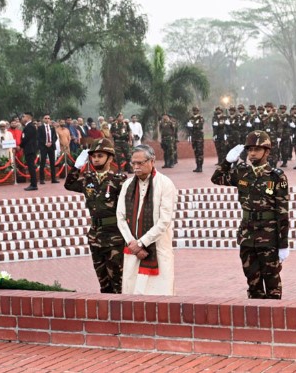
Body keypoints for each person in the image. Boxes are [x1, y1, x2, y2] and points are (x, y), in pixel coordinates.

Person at [211, 131, 290, 299]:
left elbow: (282, 212)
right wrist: (227, 162)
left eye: (257, 149)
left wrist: (283, 244)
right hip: (247, 234)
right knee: (252, 282)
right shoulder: (242, 172)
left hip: (268, 236)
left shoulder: (276, 176)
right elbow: (216, 178)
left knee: (272, 283)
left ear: (267, 152)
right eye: (249, 149)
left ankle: (273, 314)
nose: (252, 153)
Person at [65, 139, 127, 293]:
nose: (96, 159)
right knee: (104, 284)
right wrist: (77, 166)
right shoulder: (88, 179)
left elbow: (128, 209)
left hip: (114, 237)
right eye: (93, 156)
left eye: (100, 155)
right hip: (95, 236)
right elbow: (69, 184)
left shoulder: (119, 180)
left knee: (118, 283)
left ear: (110, 158)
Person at [116, 144, 177, 295]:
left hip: (157, 247)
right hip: (132, 249)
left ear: (152, 161)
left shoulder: (164, 183)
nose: (136, 167)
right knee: (132, 293)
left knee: (159, 295)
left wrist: (141, 243)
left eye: (140, 163)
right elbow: (121, 217)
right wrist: (133, 243)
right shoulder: (128, 185)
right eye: (133, 163)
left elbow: (164, 221)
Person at [20, 112, 39, 191]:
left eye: (24, 116)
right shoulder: (28, 126)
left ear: (28, 117)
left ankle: (34, 184)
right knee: (31, 166)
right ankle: (33, 183)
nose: (22, 118)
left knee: (31, 167)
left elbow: (26, 138)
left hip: (30, 149)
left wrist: (20, 145)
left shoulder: (30, 126)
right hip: (29, 149)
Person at [188, 106, 204, 172]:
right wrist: (189, 135)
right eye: (194, 110)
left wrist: (193, 125)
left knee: (200, 152)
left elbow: (200, 126)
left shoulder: (200, 118)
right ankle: (197, 166)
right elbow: (189, 127)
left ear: (198, 111)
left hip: (199, 137)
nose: (195, 112)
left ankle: (200, 167)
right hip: (193, 137)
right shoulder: (191, 118)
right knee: (196, 152)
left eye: (196, 110)